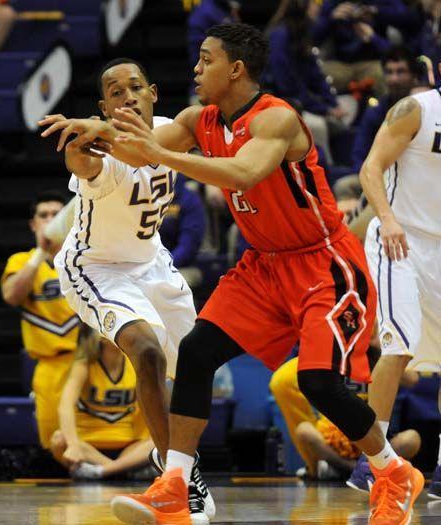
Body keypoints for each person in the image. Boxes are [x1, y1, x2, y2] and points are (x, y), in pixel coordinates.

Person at [42, 23, 424, 525]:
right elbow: (141, 146)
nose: (196, 69)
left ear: (236, 69)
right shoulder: (198, 119)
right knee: (198, 352)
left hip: (322, 261)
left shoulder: (278, 120)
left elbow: (244, 173)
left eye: (206, 60)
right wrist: (96, 131)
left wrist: (158, 154)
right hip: (263, 265)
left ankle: (392, 471)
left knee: (318, 383)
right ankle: (176, 484)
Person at [39, 58, 214, 525]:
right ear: (103, 106)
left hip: (151, 262)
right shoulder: (95, 150)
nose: (127, 96)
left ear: (153, 93)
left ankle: (183, 468)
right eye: (115, 93)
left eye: (135, 87)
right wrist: (82, 137)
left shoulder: (171, 130)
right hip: (96, 267)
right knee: (147, 351)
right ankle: (174, 478)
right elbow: (81, 159)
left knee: (197, 362)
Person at [346, 60, 441, 499]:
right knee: (398, 344)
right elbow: (371, 168)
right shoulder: (415, 109)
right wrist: (385, 219)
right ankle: (372, 464)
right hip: (398, 238)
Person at [0, 191, 80, 450]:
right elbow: (12, 295)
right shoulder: (21, 261)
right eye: (43, 215)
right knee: (53, 442)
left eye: (56, 215)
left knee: (90, 435)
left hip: (88, 361)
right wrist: (39, 254)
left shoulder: (85, 258)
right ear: (33, 224)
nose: (49, 220)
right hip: (49, 364)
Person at [271, 356, 421, 480]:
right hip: (335, 440)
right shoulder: (336, 352)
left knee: (412, 439)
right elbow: (284, 379)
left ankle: (364, 467)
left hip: (377, 437)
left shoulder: (384, 357)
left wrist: (381, 359)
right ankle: (349, 468)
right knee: (304, 431)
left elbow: (413, 379)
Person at [50, 324, 153, 480]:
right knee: (59, 440)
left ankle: (101, 472)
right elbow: (65, 406)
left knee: (159, 441)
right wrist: (73, 445)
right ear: (101, 336)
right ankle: (123, 471)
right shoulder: (84, 363)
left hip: (127, 446)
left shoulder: (134, 361)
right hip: (88, 447)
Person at [265, 0, 346, 164]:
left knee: (347, 111)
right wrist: (324, 109)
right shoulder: (280, 36)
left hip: (303, 100)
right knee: (318, 126)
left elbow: (316, 75)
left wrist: (332, 103)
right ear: (302, 6)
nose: (319, 7)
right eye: (315, 4)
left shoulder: (303, 33)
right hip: (280, 101)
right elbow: (287, 86)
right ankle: (325, 170)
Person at [351, 46, 419, 171]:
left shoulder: (425, 108)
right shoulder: (376, 112)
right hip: (381, 177)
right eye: (389, 72)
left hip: (417, 177)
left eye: (401, 71)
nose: (394, 79)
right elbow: (359, 154)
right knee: (345, 186)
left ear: (414, 76)